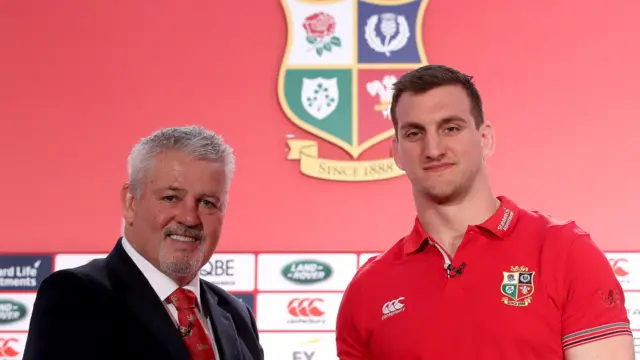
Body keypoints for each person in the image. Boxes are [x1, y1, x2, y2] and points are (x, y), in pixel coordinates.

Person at [335, 65, 634, 359]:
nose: (434, 148)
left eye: (450, 128)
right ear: (396, 152)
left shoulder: (564, 252)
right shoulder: (367, 291)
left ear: (485, 138)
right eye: (414, 133)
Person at [23, 126, 264, 360]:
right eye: (171, 198)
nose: (190, 217)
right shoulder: (75, 297)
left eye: (208, 203)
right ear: (131, 203)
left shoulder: (237, 314)